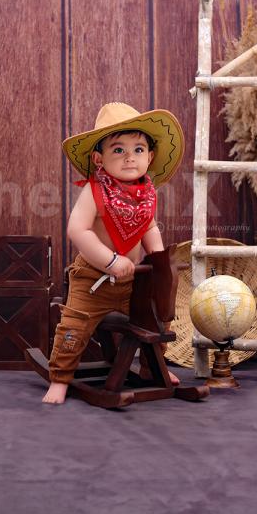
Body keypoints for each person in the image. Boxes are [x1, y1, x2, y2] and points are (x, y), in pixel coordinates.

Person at [43, 102, 185, 404]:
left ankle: (153, 367)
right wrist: (109, 260)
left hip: (134, 279)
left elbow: (148, 228)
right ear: (99, 158)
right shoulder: (94, 191)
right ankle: (60, 377)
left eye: (138, 149)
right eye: (118, 150)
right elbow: (78, 230)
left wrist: (159, 261)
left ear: (150, 156)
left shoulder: (146, 194)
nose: (129, 157)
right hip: (93, 278)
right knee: (74, 325)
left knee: (157, 317)